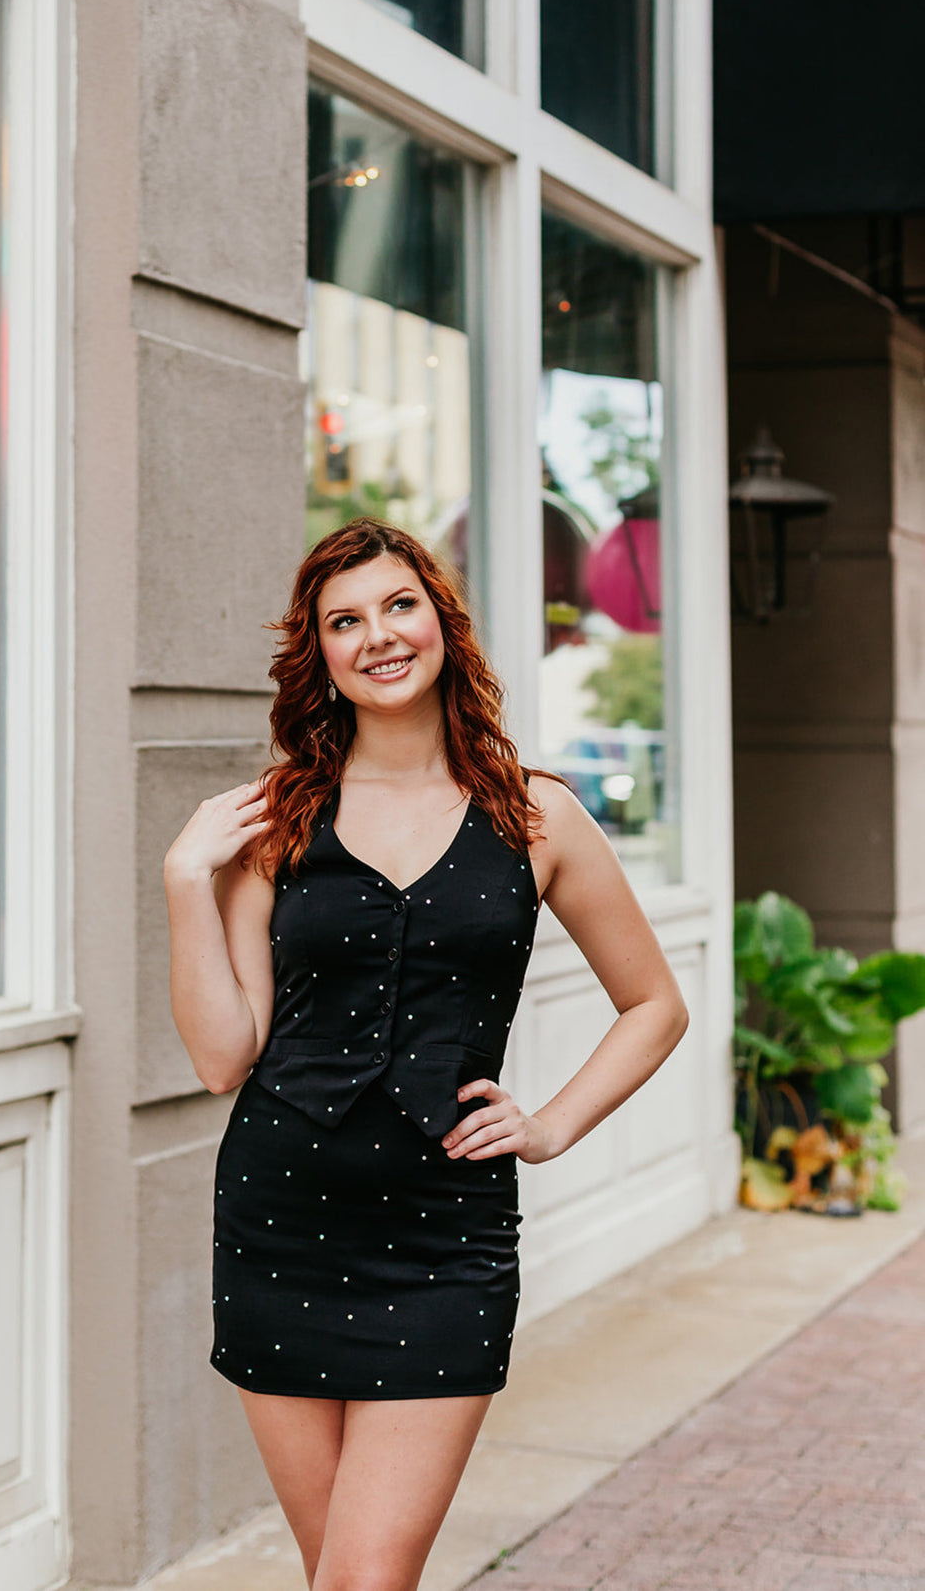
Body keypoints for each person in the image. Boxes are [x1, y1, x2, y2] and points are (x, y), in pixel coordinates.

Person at [163, 517, 688, 1591]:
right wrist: (183, 883)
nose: (378, 635)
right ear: (322, 655)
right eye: (344, 621)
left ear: (440, 620)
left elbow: (654, 1003)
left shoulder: (538, 814)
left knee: (361, 1577)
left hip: (445, 1240)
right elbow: (225, 1057)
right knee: (340, 1577)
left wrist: (549, 1124)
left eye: (398, 604)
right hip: (280, 1221)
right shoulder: (280, 819)